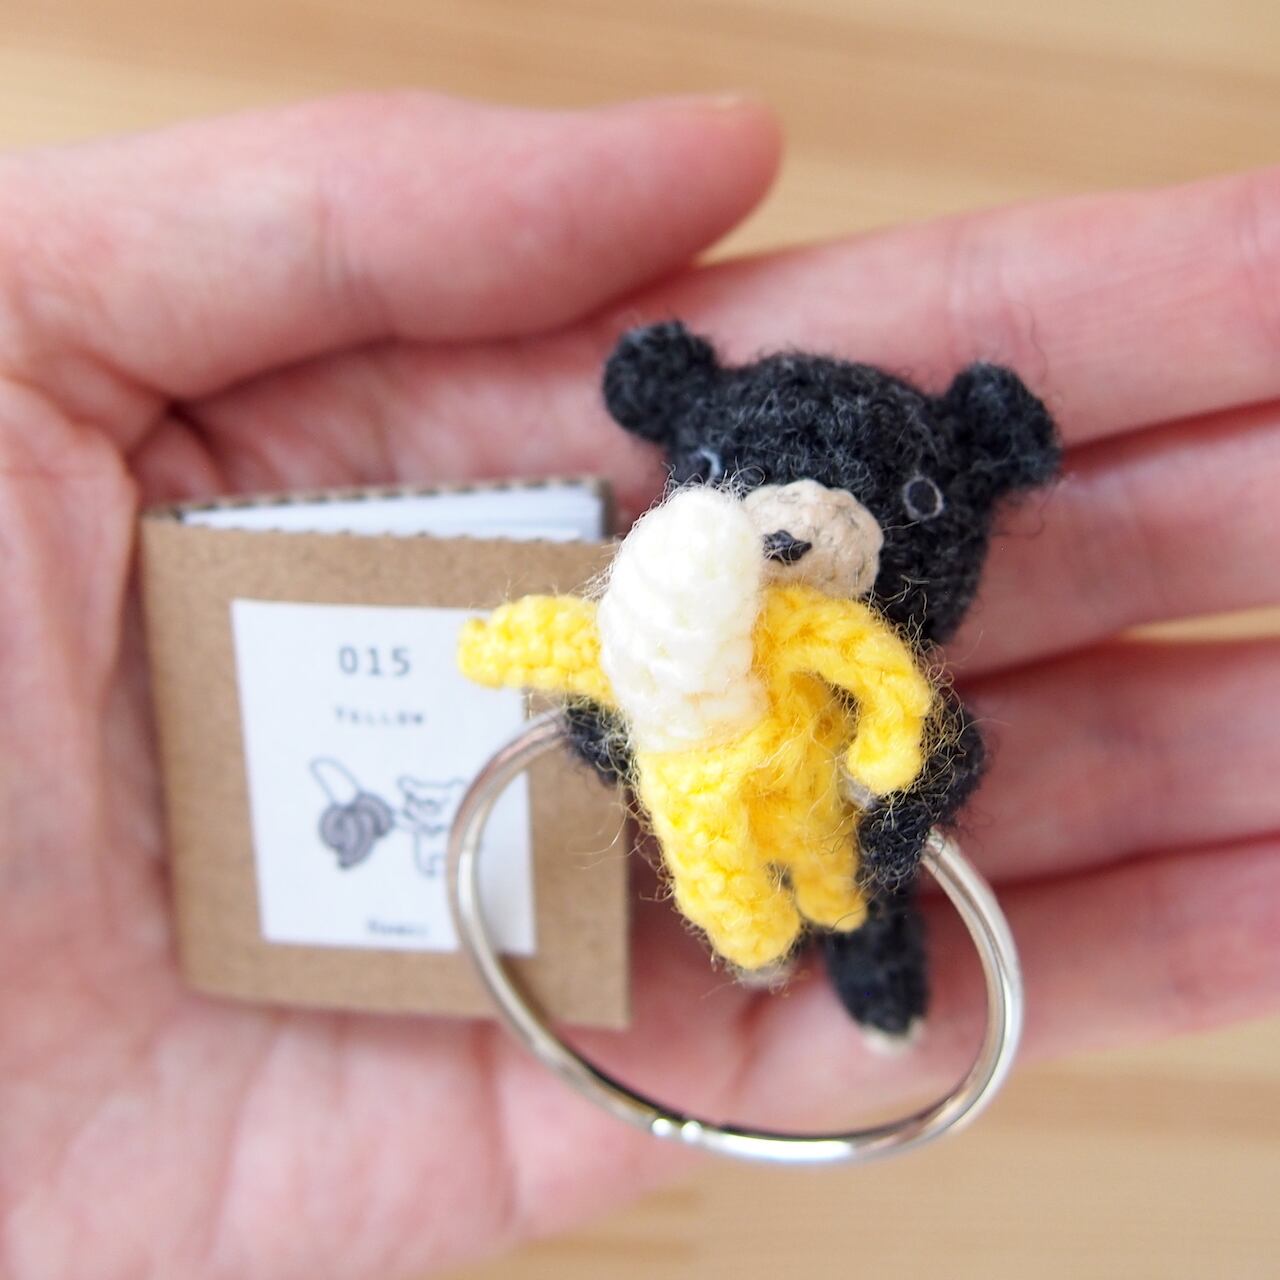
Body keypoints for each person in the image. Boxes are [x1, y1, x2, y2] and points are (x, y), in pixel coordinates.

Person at [1, 92, 1277, 1278]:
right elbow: (591, 705)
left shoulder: (867, 669)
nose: (793, 528)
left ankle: (868, 972)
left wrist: (899, 811)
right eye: (736, 476)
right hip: (696, 786)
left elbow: (927, 744)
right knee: (743, 885)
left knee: (861, 910)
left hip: (832, 822)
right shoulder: (661, 634)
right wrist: (616, 733)